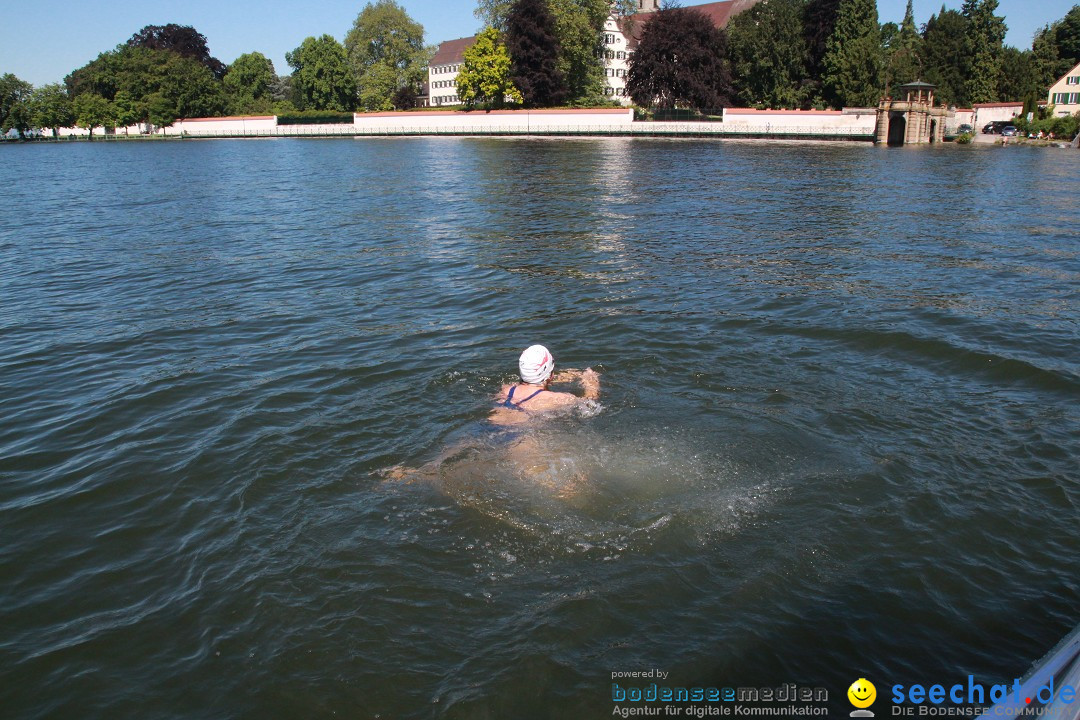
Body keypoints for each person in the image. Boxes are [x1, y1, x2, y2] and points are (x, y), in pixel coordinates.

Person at [489, 345, 600, 427]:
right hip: (520, 438)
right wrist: (591, 382)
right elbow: (590, 401)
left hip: (489, 428)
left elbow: (530, 384)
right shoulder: (559, 399)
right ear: (550, 376)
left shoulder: (507, 389)